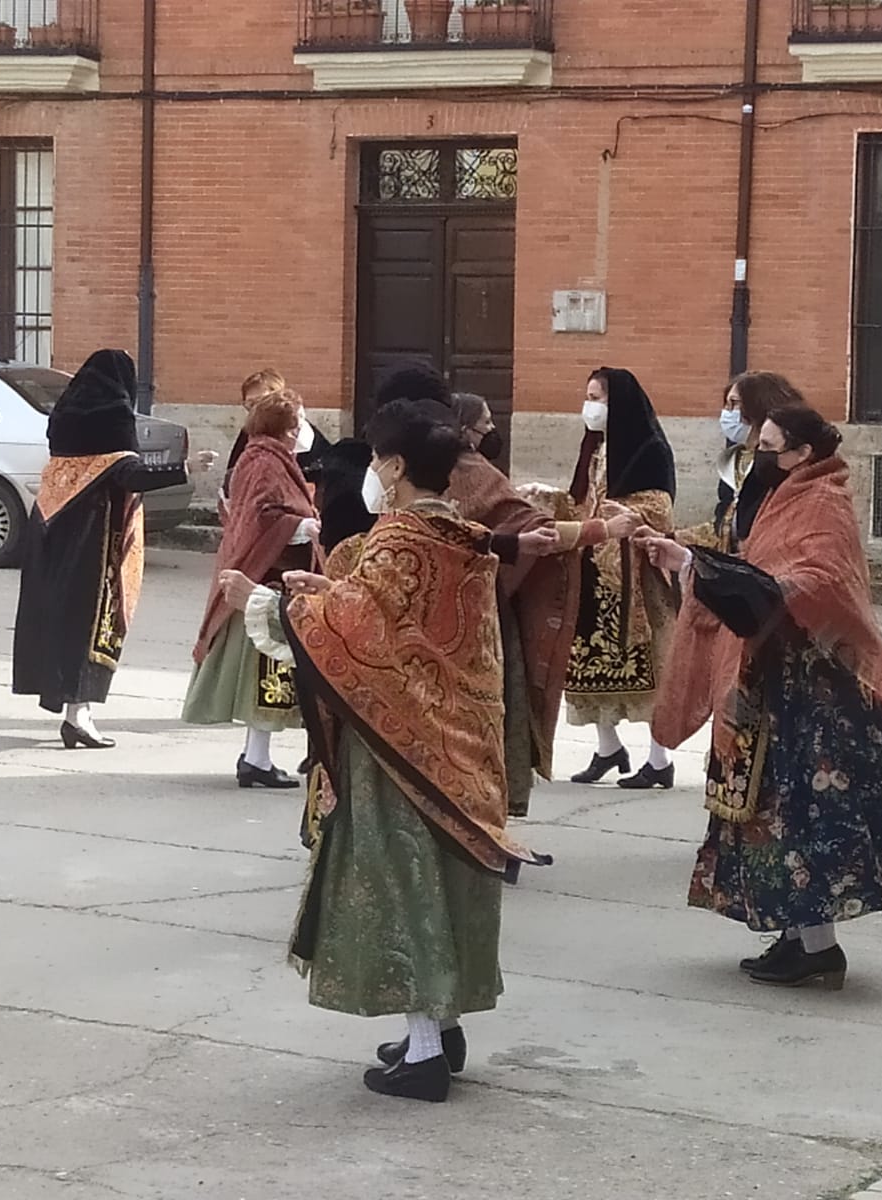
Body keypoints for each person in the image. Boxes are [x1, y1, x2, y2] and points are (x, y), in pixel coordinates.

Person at [217, 400, 549, 1103]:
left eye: (373, 461)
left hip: (399, 746)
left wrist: (266, 601)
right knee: (444, 888)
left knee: (405, 888)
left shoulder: (400, 541)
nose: (369, 472)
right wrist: (327, 591)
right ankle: (441, 1030)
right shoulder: (458, 534)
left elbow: (366, 633)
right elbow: (400, 626)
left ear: (394, 468)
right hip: (455, 742)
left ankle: (425, 1054)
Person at [643, 404, 882, 989]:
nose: (759, 458)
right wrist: (691, 563)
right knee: (776, 811)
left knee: (807, 814)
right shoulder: (788, 495)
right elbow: (755, 568)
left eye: (770, 448)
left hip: (821, 693)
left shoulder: (823, 502)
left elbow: (819, 580)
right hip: (778, 684)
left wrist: (757, 587)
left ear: (801, 454)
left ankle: (818, 947)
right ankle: (797, 935)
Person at [376, 366, 641, 817]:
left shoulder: (426, 480)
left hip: (445, 633)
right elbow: (496, 535)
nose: (488, 434)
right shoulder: (428, 475)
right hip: (457, 630)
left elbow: (501, 534)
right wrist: (602, 529)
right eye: (484, 426)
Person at [12, 349, 188, 749]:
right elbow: (128, 476)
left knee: (58, 619)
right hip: (96, 539)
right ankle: (79, 716)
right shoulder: (113, 414)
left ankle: (71, 709)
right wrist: (182, 469)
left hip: (50, 534)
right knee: (90, 624)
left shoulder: (65, 416)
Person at [183, 390, 319, 788]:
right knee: (266, 680)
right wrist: (297, 528)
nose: (303, 429)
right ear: (285, 428)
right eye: (298, 422)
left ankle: (256, 757)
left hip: (266, 581)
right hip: (265, 584)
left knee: (264, 682)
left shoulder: (267, 457)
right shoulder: (264, 462)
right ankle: (256, 760)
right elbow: (260, 515)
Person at [562, 367, 681, 790]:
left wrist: (627, 518)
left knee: (650, 665)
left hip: (637, 576)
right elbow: (580, 500)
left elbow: (662, 508)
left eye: (599, 398)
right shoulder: (594, 449)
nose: (591, 406)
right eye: (589, 396)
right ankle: (608, 747)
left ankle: (659, 757)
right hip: (593, 567)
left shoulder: (648, 448)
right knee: (589, 662)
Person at [679, 371, 806, 553]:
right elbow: (722, 525)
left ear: (759, 406)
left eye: (734, 404)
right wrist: (672, 538)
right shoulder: (734, 461)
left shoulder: (784, 463)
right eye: (726, 405)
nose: (727, 413)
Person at [219, 368, 330, 519]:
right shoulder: (249, 433)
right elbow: (233, 477)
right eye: (250, 405)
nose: (255, 411)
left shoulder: (306, 436)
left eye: (261, 402)